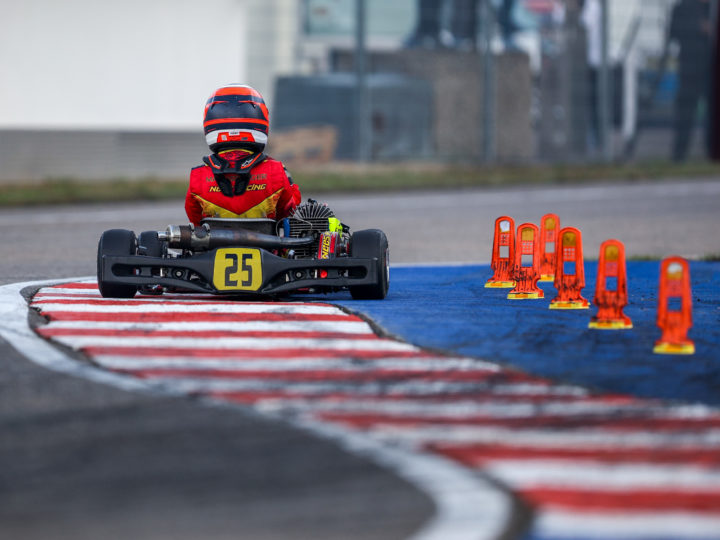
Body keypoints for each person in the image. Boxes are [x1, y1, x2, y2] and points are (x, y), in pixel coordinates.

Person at [185, 84, 301, 226]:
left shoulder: (199, 176)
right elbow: (289, 211)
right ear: (260, 119)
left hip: (214, 247)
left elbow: (196, 222)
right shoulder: (276, 171)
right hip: (266, 247)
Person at [667, 0, 712, 161]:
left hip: (712, 70)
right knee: (685, 114)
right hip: (689, 69)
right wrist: (698, 27)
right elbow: (672, 32)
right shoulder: (683, 8)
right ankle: (679, 156)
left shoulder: (712, 8)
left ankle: (712, 154)